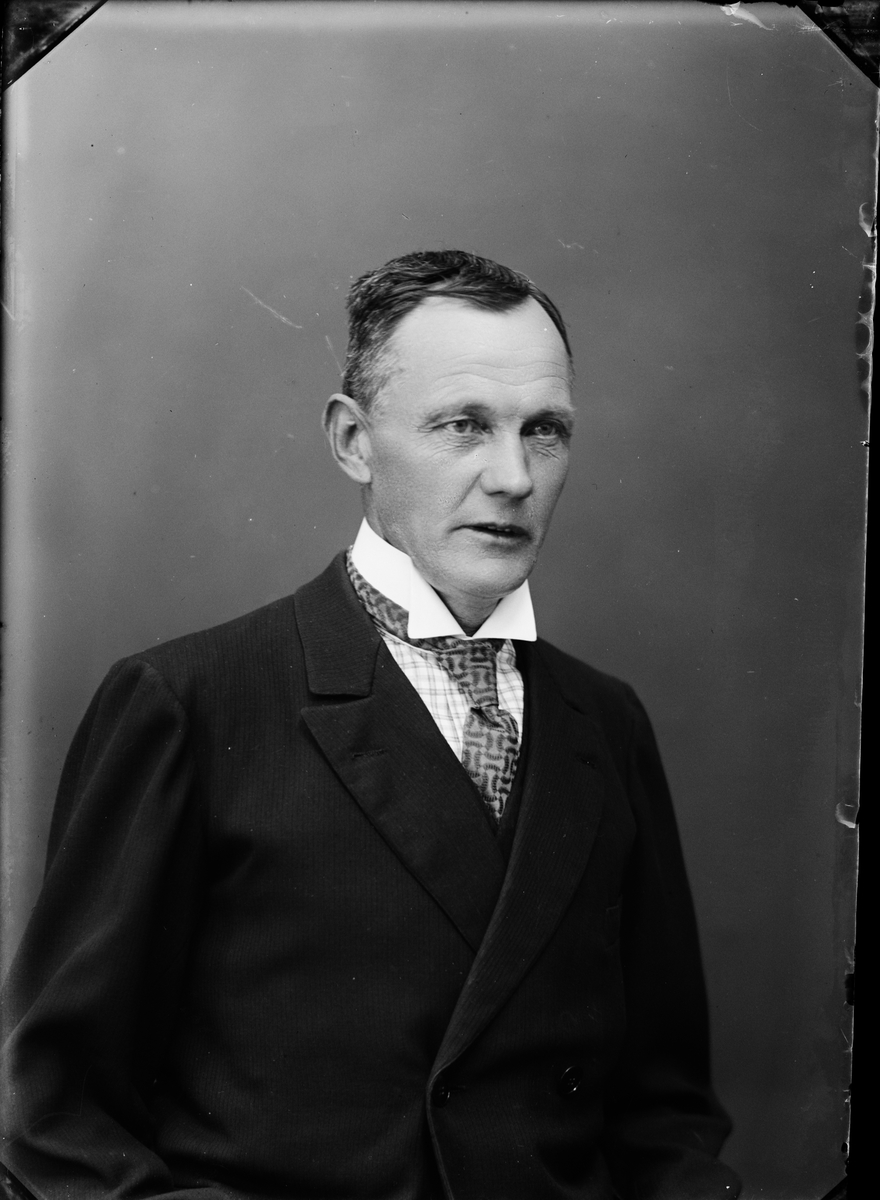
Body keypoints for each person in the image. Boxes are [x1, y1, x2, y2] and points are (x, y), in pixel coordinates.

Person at [0, 250, 741, 1199]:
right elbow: (54, 1120)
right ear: (353, 441)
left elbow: (664, 1112)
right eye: (463, 425)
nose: (513, 476)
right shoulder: (188, 703)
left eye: (545, 431)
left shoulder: (605, 720)